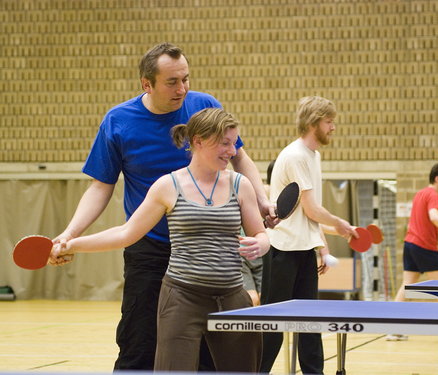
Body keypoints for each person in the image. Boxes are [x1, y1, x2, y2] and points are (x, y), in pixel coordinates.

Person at [49, 43, 276, 371]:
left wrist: (262, 200)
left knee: (216, 358)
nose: (182, 88)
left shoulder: (204, 107)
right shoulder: (119, 122)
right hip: (151, 249)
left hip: (209, 253)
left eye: (186, 78)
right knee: (139, 344)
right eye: (172, 82)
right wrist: (70, 235)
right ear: (147, 84)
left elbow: (239, 157)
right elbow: (101, 188)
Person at [259, 96, 358, 375]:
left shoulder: (314, 155)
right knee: (272, 323)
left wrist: (318, 247)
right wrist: (339, 224)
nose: (333, 127)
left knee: (310, 322)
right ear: (315, 123)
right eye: (329, 122)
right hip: (281, 250)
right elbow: (313, 209)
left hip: (302, 250)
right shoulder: (295, 156)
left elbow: (306, 215)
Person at [387, 163, 438, 341]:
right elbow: (434, 217)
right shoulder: (433, 194)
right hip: (425, 247)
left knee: (407, 286)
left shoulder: (420, 193)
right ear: (437, 178)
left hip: (410, 244)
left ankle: (393, 328)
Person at [240, 159, 276, 306]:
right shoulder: (241, 189)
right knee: (252, 299)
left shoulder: (268, 195)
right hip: (243, 255)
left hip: (261, 255)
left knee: (265, 301)